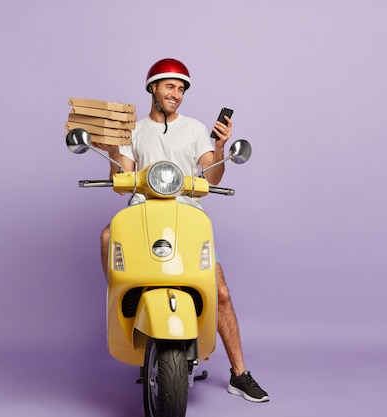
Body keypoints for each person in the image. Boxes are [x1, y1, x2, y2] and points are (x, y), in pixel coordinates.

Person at [97, 58, 269, 403]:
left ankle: (240, 374)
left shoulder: (193, 129)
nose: (176, 94)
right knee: (107, 236)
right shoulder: (134, 130)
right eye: (169, 86)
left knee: (219, 291)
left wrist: (219, 147)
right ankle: (130, 310)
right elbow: (122, 184)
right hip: (142, 212)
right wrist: (112, 147)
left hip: (187, 215)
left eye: (181, 88)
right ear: (153, 88)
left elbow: (213, 176)